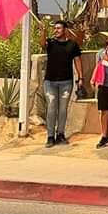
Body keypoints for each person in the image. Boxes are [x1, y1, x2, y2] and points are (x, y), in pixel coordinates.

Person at [39, 19, 83, 148]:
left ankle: (61, 134)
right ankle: (50, 136)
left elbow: (77, 61)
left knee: (63, 110)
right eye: (55, 28)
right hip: (50, 82)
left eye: (58, 28)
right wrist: (43, 32)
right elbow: (42, 44)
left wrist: (81, 78)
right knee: (52, 108)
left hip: (66, 82)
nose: (56, 30)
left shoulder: (72, 45)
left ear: (65, 30)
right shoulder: (51, 43)